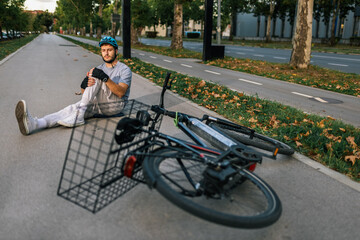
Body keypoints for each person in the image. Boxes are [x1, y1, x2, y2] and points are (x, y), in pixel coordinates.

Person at [15, 36, 132, 136]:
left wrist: (104, 78)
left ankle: (79, 115)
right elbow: (85, 94)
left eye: (109, 50)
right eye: (103, 50)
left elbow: (121, 92)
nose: (106, 53)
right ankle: (35, 124)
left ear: (116, 51)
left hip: (115, 106)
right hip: (100, 105)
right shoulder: (100, 68)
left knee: (95, 74)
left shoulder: (124, 69)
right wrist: (84, 84)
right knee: (69, 110)